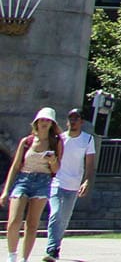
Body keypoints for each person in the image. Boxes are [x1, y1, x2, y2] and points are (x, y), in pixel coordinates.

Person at [7, 108, 63, 262]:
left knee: (32, 224)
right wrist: (6, 190)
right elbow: (16, 165)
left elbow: (57, 169)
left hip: (43, 181)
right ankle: (12, 256)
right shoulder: (27, 141)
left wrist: (52, 160)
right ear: (36, 122)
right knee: (14, 221)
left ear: (52, 124)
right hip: (23, 179)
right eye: (42, 120)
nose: (45, 123)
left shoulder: (56, 142)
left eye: (48, 120)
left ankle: (24, 258)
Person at [44, 109, 94, 262]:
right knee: (55, 213)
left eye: (76, 118)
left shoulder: (87, 139)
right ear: (67, 121)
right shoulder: (61, 139)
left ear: (81, 122)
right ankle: (51, 248)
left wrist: (86, 181)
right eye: (70, 118)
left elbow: (90, 164)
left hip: (73, 185)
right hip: (57, 182)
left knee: (64, 218)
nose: (73, 121)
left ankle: (56, 247)